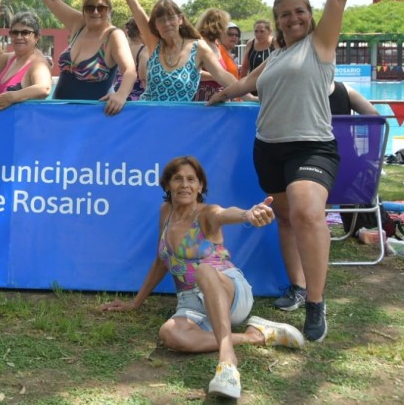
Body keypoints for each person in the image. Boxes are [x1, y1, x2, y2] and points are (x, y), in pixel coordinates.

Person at [207, 0, 394, 342]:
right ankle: (294, 285)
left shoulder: (320, 45)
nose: (293, 18)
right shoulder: (275, 56)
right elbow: (244, 84)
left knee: (309, 213)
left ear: (310, 15)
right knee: (286, 219)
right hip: (268, 148)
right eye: (285, 14)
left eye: (299, 11)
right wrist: (219, 95)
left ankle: (315, 301)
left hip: (313, 145)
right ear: (277, 23)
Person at [100, 156, 304, 400]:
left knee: (204, 270)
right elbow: (160, 261)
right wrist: (136, 303)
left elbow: (225, 213)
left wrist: (248, 214)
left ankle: (227, 363)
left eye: (191, 179)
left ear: (200, 187)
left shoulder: (207, 214)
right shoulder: (165, 212)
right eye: (178, 179)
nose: (184, 185)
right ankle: (255, 335)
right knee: (169, 334)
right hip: (191, 303)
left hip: (229, 290)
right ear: (167, 185)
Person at [272, 81, 379, 312]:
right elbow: (374, 116)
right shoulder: (345, 90)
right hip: (347, 174)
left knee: (300, 211)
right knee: (310, 212)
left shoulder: (296, 90)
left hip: (310, 170)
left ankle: (302, 286)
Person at [90, 0, 235, 102]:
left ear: (180, 19)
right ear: (155, 26)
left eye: (170, 17)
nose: (166, 23)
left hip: (180, 121)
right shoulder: (154, 44)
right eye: (160, 19)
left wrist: (248, 95)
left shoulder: (198, 47)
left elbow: (223, 76)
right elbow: (133, 2)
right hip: (148, 117)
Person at [17, 0, 136, 114]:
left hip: (93, 119)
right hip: (60, 114)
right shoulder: (79, 24)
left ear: (109, 10)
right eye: (90, 7)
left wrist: (121, 95)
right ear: (84, 10)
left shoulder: (114, 36)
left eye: (101, 8)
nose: (95, 12)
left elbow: (130, 70)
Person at [0, 4, 52, 111]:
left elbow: (44, 88)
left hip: (18, 125)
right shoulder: (13, 58)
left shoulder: (38, 64)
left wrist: (12, 97)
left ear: (37, 37)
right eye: (15, 32)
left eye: (25, 32)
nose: (19, 37)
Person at [194, 9, 240, 102]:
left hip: (219, 96)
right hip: (203, 97)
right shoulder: (199, 43)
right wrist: (214, 76)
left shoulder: (216, 44)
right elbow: (192, 71)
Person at [115, 19, 148, 101]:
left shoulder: (119, 47)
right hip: (135, 96)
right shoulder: (144, 50)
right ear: (141, 32)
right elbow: (143, 78)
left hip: (117, 92)